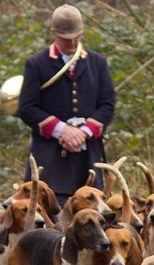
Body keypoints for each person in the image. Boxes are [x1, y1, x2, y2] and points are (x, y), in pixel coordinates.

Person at [18, 4, 116, 207]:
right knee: (49, 215)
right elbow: (27, 108)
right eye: (66, 37)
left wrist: (84, 132)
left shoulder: (97, 63)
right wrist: (62, 130)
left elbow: (107, 104)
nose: (72, 42)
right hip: (50, 159)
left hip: (87, 157)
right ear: (53, 33)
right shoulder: (36, 64)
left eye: (76, 36)